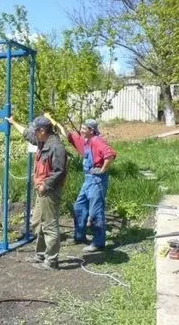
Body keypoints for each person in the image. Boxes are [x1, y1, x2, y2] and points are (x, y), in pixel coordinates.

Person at [45, 114, 116, 252]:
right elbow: (68, 135)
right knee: (79, 206)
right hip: (88, 180)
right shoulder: (85, 142)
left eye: (84, 128)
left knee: (95, 211)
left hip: (97, 180)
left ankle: (98, 242)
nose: (82, 130)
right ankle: (79, 236)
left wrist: (102, 169)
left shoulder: (97, 141)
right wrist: (54, 121)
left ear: (92, 130)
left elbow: (110, 155)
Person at [6, 115, 67, 270]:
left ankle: (52, 261)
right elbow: (27, 134)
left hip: (49, 191)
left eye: (36, 130)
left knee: (50, 225)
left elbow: (59, 172)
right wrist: (13, 122)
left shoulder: (56, 147)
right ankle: (41, 254)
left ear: (42, 130)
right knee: (37, 222)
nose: (34, 133)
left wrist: (45, 186)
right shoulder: (43, 141)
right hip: (42, 190)